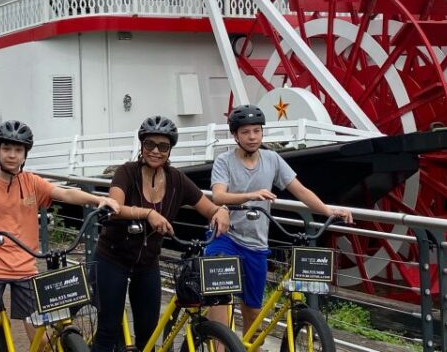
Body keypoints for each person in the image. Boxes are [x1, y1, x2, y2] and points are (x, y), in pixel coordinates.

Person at [0, 120, 120, 352]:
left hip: (25, 268)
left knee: (42, 341)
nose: (12, 155)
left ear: (25, 154)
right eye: (6, 149)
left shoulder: (32, 182)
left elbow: (64, 193)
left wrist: (98, 199)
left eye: (18, 150)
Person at [206, 104, 353, 335]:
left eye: (256, 130)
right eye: (245, 132)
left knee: (253, 312)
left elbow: (300, 191)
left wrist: (327, 211)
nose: (252, 137)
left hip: (256, 242)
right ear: (235, 135)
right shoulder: (224, 161)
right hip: (226, 236)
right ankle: (218, 344)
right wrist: (251, 195)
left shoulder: (272, 159)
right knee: (220, 299)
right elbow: (218, 195)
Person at [91, 116, 232, 352]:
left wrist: (221, 211)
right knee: (108, 330)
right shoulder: (126, 173)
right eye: (150, 145)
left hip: (148, 263)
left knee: (148, 334)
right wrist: (147, 213)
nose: (155, 151)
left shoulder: (177, 179)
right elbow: (113, 208)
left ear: (170, 150)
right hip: (113, 258)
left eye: (163, 146)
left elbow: (208, 207)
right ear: (142, 146)